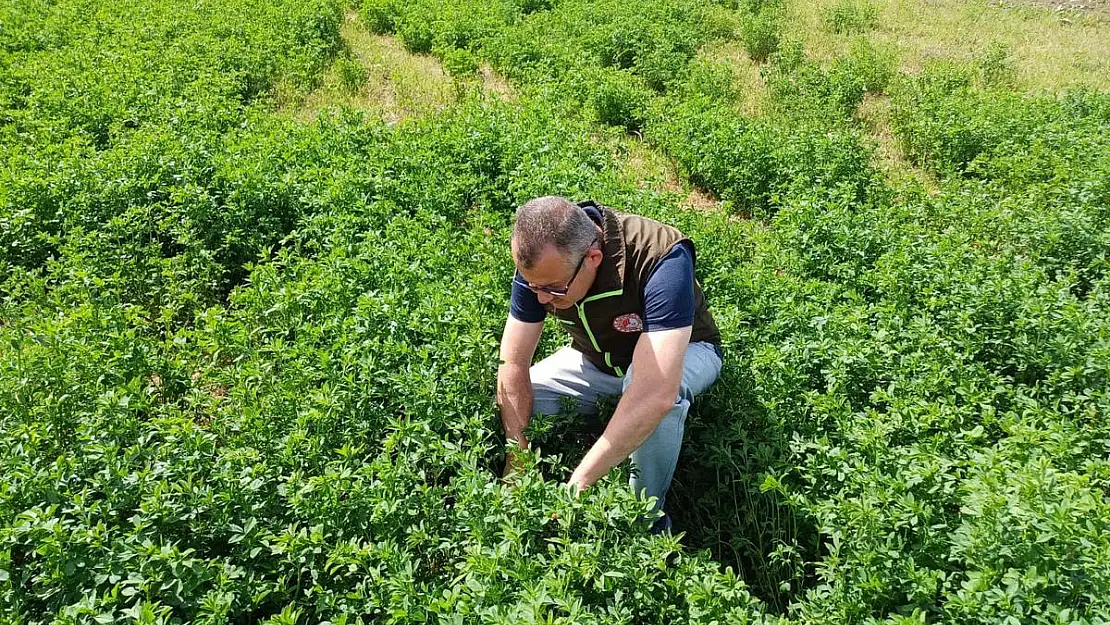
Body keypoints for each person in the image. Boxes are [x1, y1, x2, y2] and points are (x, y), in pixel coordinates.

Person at [495, 195, 723, 532]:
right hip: (599, 360)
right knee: (526, 395)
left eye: (553, 290)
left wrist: (580, 483)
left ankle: (643, 518)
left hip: (690, 351)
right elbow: (512, 362)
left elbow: (654, 392)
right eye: (534, 287)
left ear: (593, 257)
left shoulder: (661, 255)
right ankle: (617, 427)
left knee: (656, 402)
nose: (541, 299)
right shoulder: (543, 264)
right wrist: (518, 459)